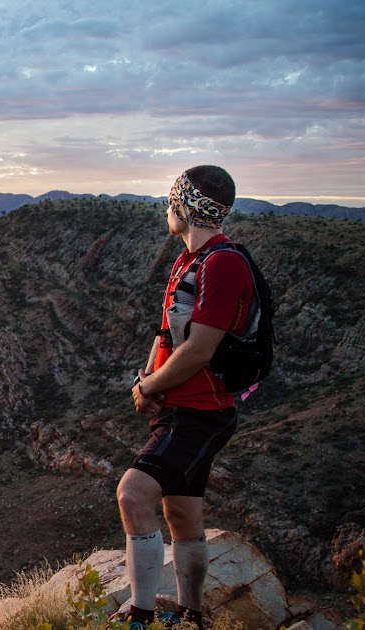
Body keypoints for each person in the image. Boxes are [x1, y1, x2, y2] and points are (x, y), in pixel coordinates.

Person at [117, 165, 253, 628]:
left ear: (185, 206)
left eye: (170, 200)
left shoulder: (224, 262)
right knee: (182, 514)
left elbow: (199, 348)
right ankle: (191, 614)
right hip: (178, 405)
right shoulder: (187, 260)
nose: (165, 208)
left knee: (133, 496)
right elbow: (168, 334)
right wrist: (146, 382)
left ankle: (142, 615)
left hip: (201, 411)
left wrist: (152, 387)